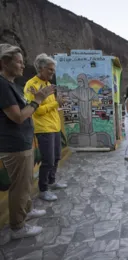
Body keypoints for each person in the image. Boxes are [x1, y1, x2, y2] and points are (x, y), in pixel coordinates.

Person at [0, 44, 54, 239]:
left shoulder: (12, 84)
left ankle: (27, 210)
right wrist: (38, 99)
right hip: (14, 145)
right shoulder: (3, 85)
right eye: (19, 62)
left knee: (26, 182)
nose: (23, 66)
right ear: (4, 63)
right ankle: (18, 226)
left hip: (23, 142)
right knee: (19, 187)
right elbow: (18, 117)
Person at [24, 53, 67, 202]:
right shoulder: (32, 85)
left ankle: (52, 181)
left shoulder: (48, 85)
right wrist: (56, 103)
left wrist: (57, 104)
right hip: (43, 129)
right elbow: (36, 109)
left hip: (54, 126)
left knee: (56, 158)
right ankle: (43, 189)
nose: (52, 73)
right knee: (48, 160)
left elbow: (49, 107)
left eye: (53, 70)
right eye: (50, 70)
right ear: (41, 69)